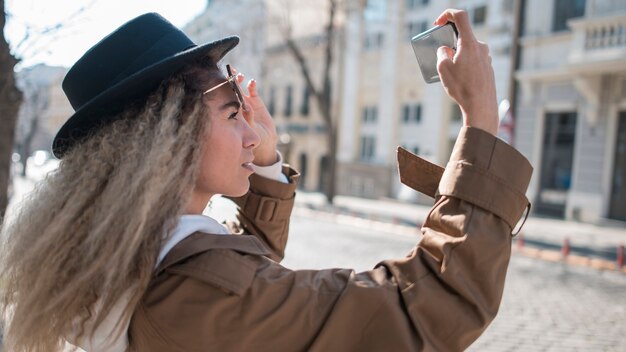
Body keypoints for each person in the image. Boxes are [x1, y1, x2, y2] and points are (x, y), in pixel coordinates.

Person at [0, 8, 532, 352]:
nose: (252, 135)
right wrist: (481, 121)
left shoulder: (111, 251)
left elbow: (236, 270)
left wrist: (266, 162)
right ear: (169, 139)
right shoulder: (197, 294)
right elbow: (426, 309)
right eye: (233, 115)